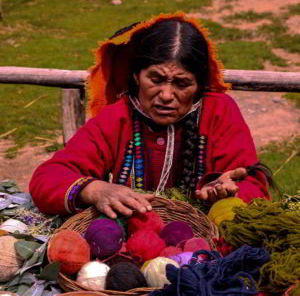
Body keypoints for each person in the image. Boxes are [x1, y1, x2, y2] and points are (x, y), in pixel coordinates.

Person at [29, 13, 270, 218]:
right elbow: (46, 178)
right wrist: (95, 190)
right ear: (136, 76)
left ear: (199, 86)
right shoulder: (117, 118)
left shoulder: (219, 112)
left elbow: (255, 187)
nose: (166, 95)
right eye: (155, 79)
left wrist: (229, 190)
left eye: (182, 83)